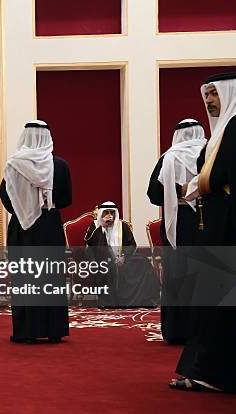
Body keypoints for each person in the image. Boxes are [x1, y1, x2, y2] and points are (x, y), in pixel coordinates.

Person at [170, 73, 236, 393]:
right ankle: (208, 371)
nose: (208, 101)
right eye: (206, 95)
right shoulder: (221, 131)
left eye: (214, 94)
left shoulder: (234, 127)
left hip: (226, 227)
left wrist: (190, 189)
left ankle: (211, 373)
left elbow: (215, 174)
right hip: (214, 225)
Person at [0, 120, 71, 344]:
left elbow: (6, 197)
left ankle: (26, 331)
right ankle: (54, 331)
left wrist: (24, 208)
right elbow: (67, 199)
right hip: (49, 226)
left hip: (22, 228)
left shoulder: (13, 165)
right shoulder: (59, 165)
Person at [147, 119, 206, 343]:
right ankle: (202, 330)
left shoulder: (168, 158)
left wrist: (177, 192)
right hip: (205, 221)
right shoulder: (210, 155)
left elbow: (153, 195)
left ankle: (176, 331)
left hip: (178, 223)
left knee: (177, 275)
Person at [84, 202, 159, 308]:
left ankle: (142, 300)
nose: (109, 215)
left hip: (122, 258)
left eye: (112, 212)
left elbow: (132, 244)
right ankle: (111, 302)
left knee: (142, 262)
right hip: (103, 258)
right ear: (101, 214)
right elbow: (90, 244)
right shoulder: (95, 226)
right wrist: (102, 227)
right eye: (106, 212)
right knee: (108, 266)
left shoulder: (122, 226)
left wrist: (123, 256)